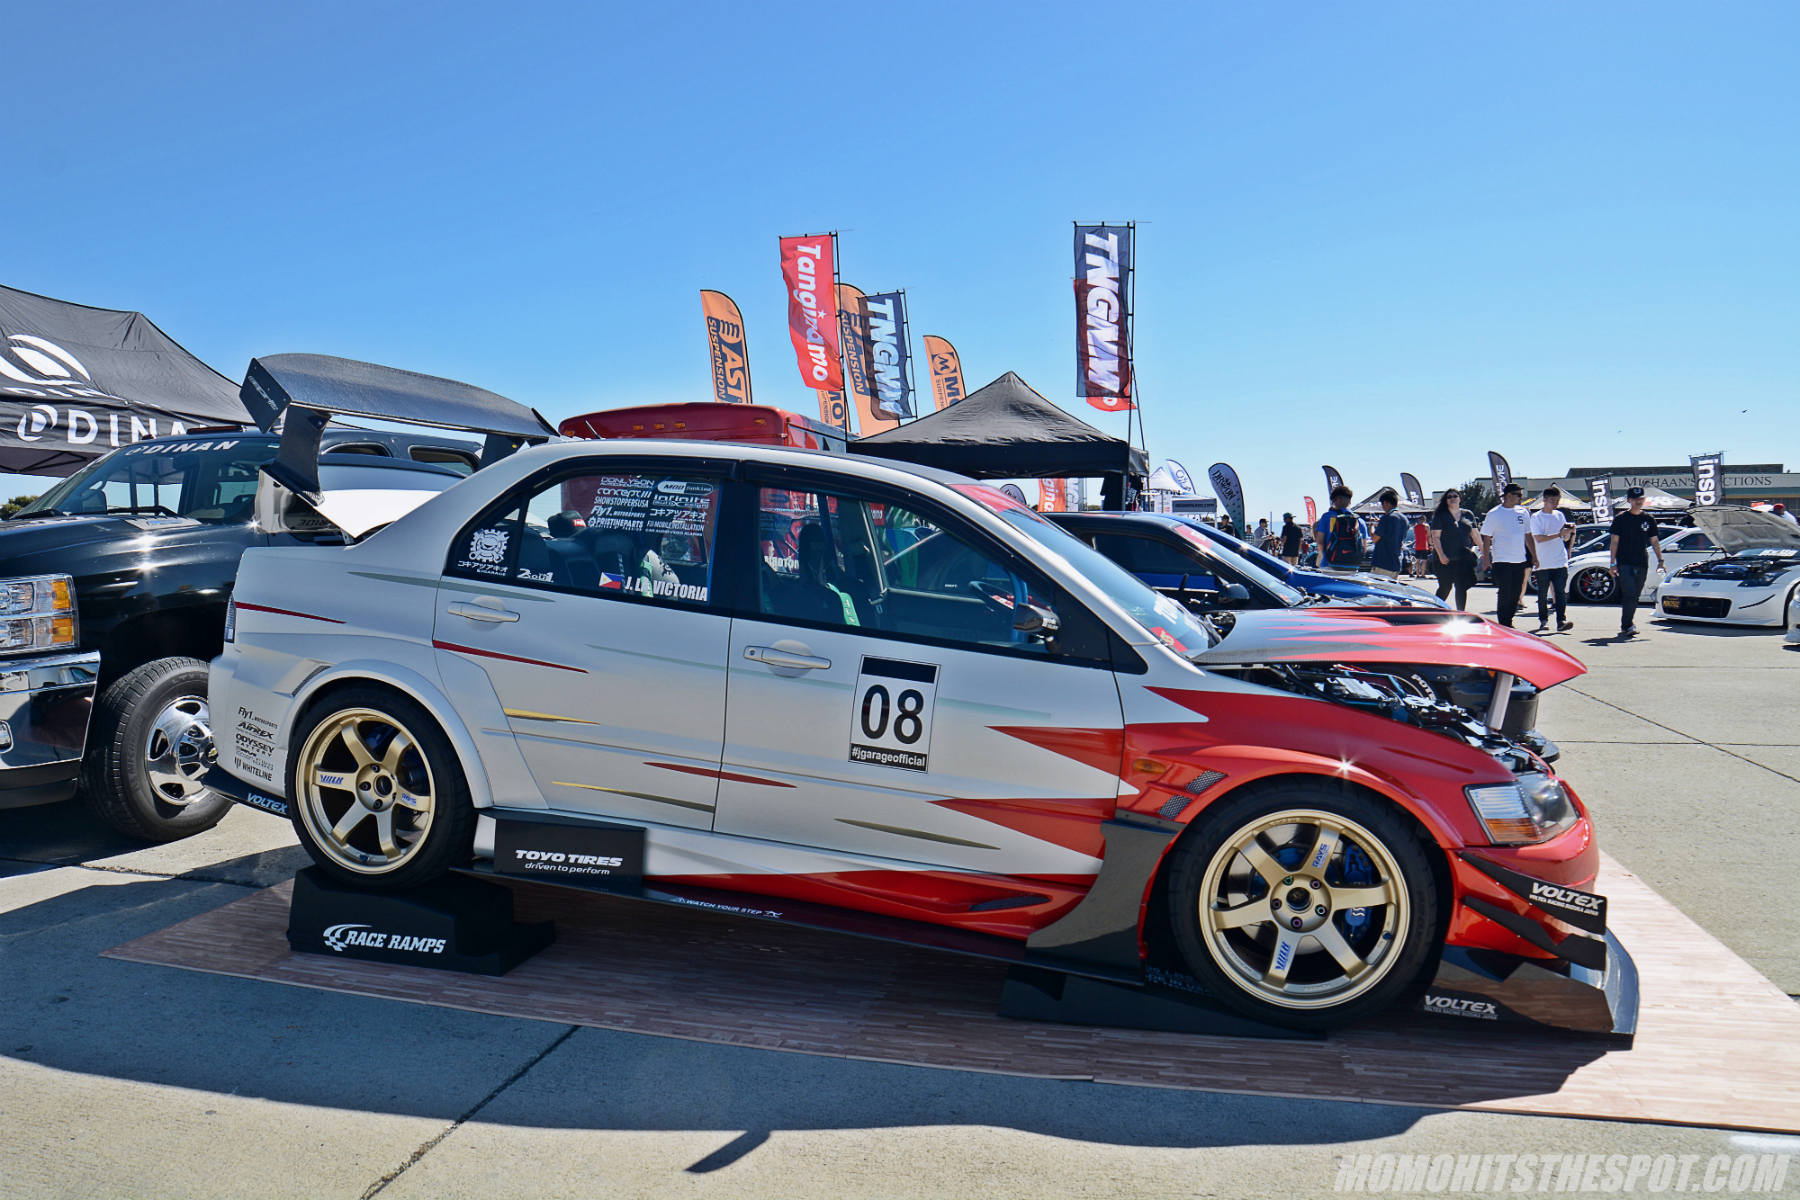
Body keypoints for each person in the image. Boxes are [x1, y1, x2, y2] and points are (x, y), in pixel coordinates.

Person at [1607, 487, 1666, 637]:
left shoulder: (1648, 518)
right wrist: (1612, 563)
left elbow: (1654, 541)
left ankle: (1627, 623)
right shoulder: (1621, 519)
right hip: (1625, 562)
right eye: (1635, 499)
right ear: (1629, 500)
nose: (1638, 501)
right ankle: (1628, 625)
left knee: (1635, 595)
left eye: (1640, 499)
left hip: (1642, 561)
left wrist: (1661, 560)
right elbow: (1614, 542)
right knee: (1629, 593)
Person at [1480, 482, 1533, 628]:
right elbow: (1486, 537)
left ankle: (1509, 619)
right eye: (1519, 495)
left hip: (1520, 559)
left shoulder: (1523, 512)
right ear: (1509, 495)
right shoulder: (1494, 513)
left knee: (1516, 593)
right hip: (1501, 559)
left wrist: (1534, 555)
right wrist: (1486, 559)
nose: (1521, 498)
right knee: (1505, 592)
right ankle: (1505, 623)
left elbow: (1528, 535)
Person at [1529, 486, 1574, 633]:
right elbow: (1539, 538)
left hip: (1559, 560)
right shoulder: (1536, 517)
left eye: (1557, 501)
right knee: (1542, 594)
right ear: (1544, 500)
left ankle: (1561, 621)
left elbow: (1565, 538)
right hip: (1542, 561)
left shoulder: (1560, 515)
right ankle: (1543, 620)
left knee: (1560, 593)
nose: (1555, 504)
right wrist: (1559, 534)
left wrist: (1568, 532)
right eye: (1552, 501)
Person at [1429, 489, 1477, 609]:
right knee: (1445, 587)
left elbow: (1475, 534)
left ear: (1460, 498)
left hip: (1462, 558)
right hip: (1444, 559)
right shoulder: (1441, 515)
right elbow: (1435, 536)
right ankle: (1434, 610)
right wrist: (1441, 554)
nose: (1452, 498)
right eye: (1449, 497)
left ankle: (1461, 613)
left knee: (1461, 586)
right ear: (1446, 500)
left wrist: (1484, 553)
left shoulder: (1468, 514)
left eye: (1455, 496)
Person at [1314, 486, 1366, 570]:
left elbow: (1320, 541)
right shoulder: (1360, 521)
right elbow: (1364, 547)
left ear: (1339, 500)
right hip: (1352, 567)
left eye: (1333, 502)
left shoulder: (1327, 517)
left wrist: (1324, 556)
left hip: (1330, 564)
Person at [1369, 489, 1408, 579]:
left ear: (1385, 503)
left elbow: (1374, 538)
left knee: (1376, 587)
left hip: (1383, 563)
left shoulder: (1386, 518)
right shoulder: (1404, 519)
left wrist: (1371, 525)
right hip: (1396, 564)